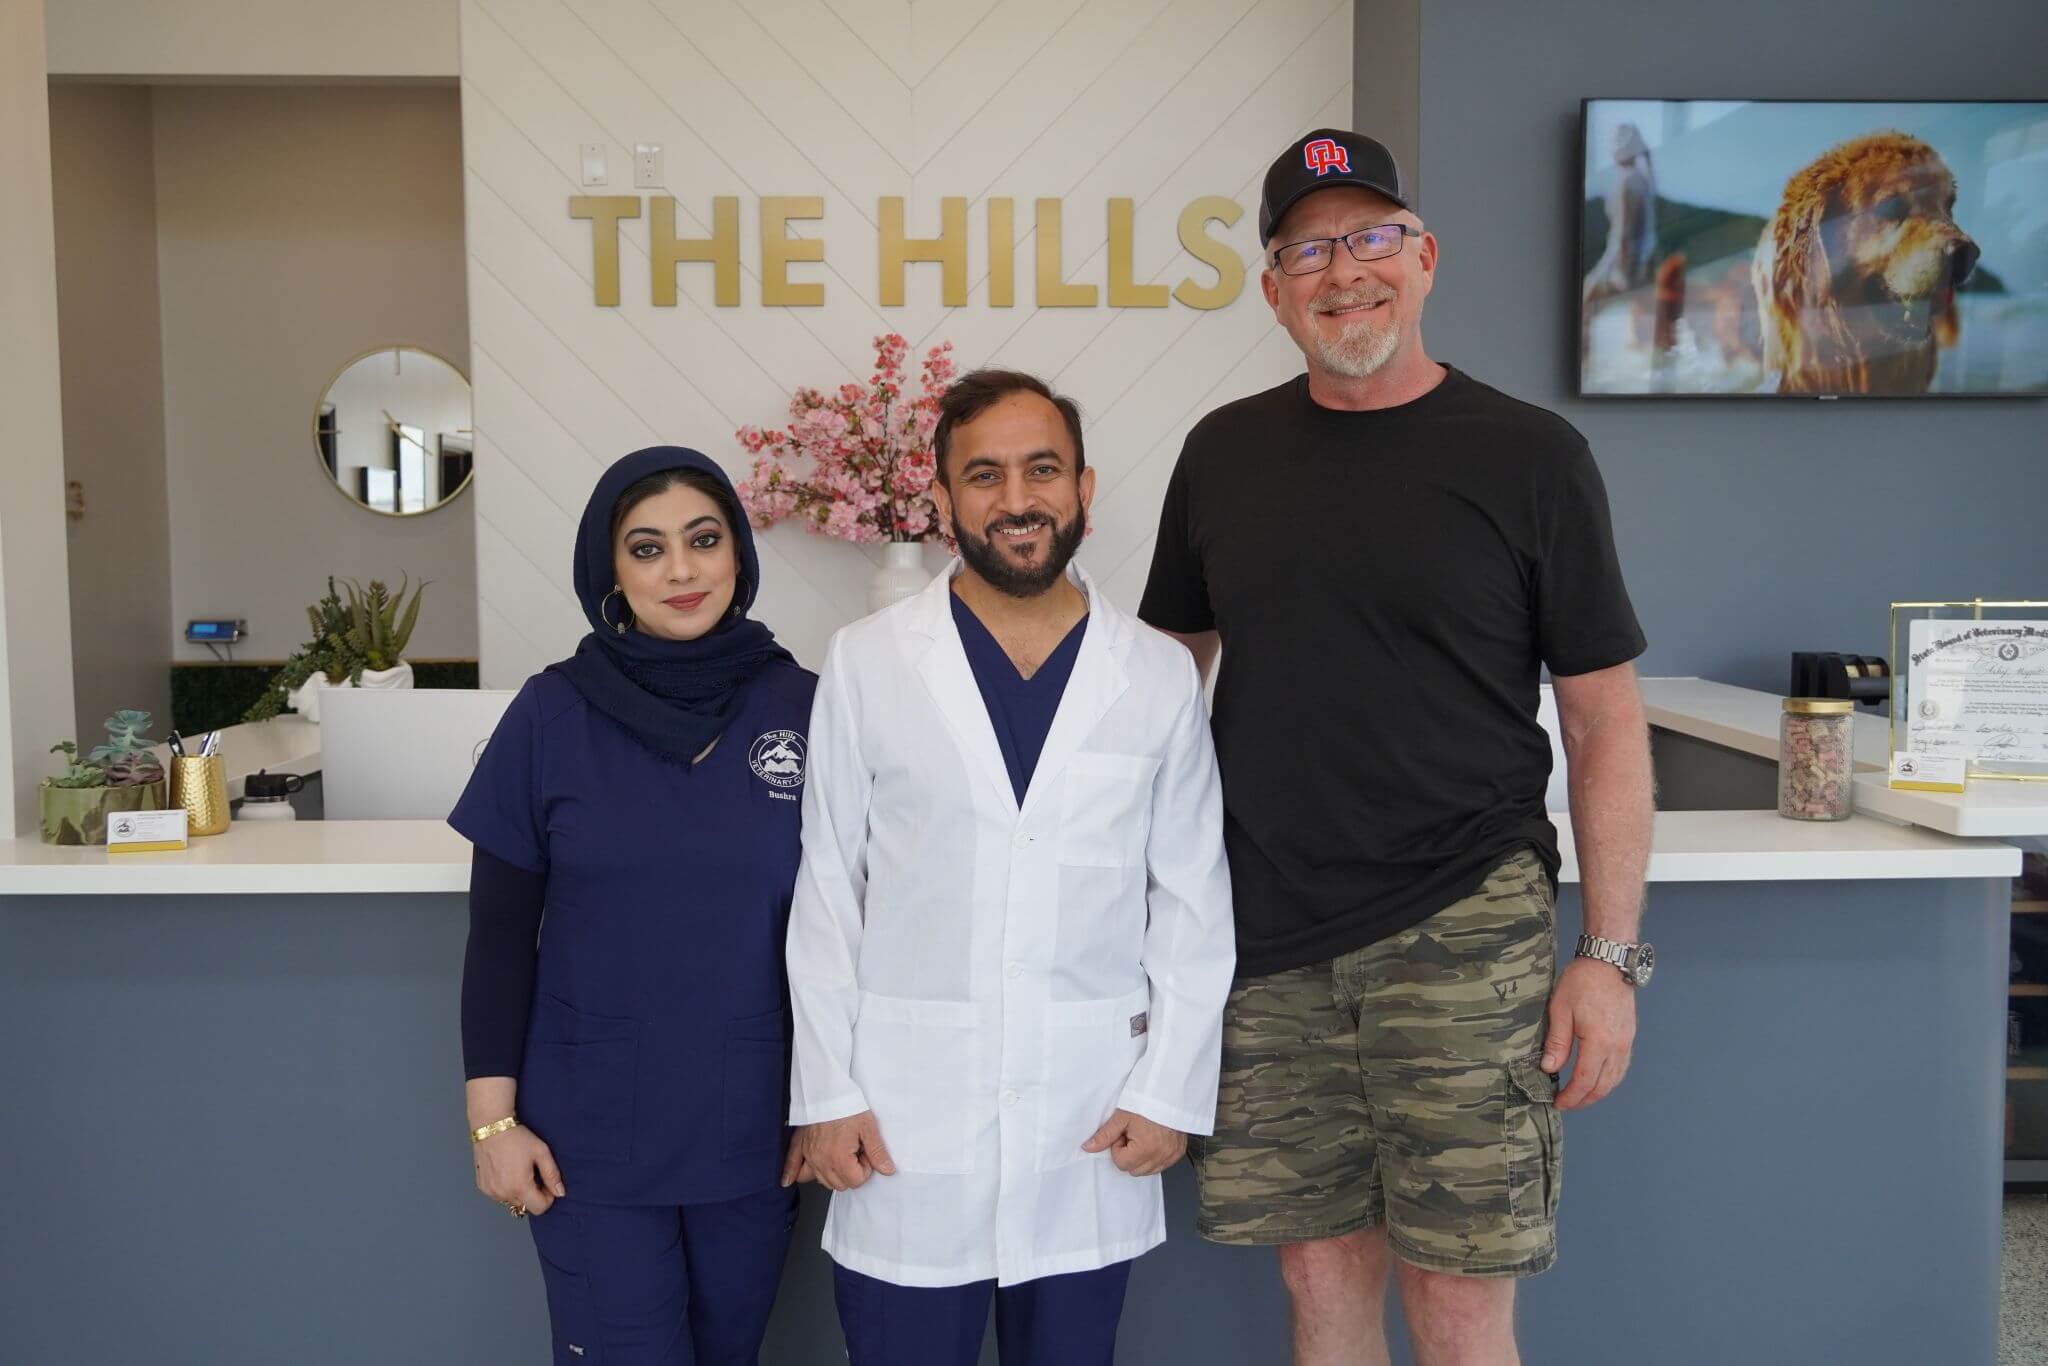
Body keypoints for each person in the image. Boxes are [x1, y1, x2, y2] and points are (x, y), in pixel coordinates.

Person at [1139, 129, 1656, 1366]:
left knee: (1461, 1296)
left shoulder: (1532, 458)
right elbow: (1160, 687)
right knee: (1317, 1279)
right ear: (1271, 290)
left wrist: (1607, 955)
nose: (1342, 273)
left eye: (1369, 238)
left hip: (1464, 926)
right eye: (1307, 249)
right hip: (1263, 936)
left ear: (1422, 258)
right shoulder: (1222, 452)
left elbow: (1601, 719)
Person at [782, 370, 1236, 1365]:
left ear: (1084, 488)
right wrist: (823, 1090)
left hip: (1088, 1110)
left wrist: (1167, 1090)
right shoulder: (865, 661)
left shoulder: (1156, 672)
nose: (1016, 499)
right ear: (940, 499)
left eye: (1042, 469)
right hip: (904, 1116)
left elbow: (1193, 901)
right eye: (982, 475)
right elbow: (826, 889)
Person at [451, 446, 816, 1366]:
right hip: (587, 1140)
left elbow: (846, 928)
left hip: (754, 1127)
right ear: (610, 573)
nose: (682, 570)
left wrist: (833, 1098)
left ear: (739, 553)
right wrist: (493, 1125)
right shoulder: (550, 714)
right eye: (647, 549)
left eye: (704, 539)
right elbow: (499, 937)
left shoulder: (807, 707)